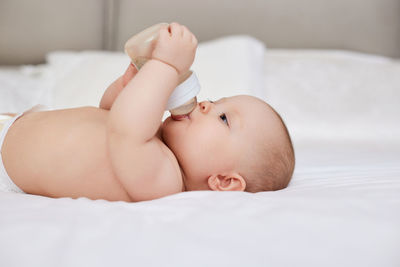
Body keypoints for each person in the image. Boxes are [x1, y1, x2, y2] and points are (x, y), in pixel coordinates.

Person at [0, 22, 295, 201]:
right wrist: (130, 83)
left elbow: (124, 130)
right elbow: (109, 112)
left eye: (223, 118)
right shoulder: (155, 139)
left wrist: (166, 67)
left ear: (224, 181)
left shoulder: (163, 182)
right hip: (15, 123)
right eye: (217, 100)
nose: (206, 103)